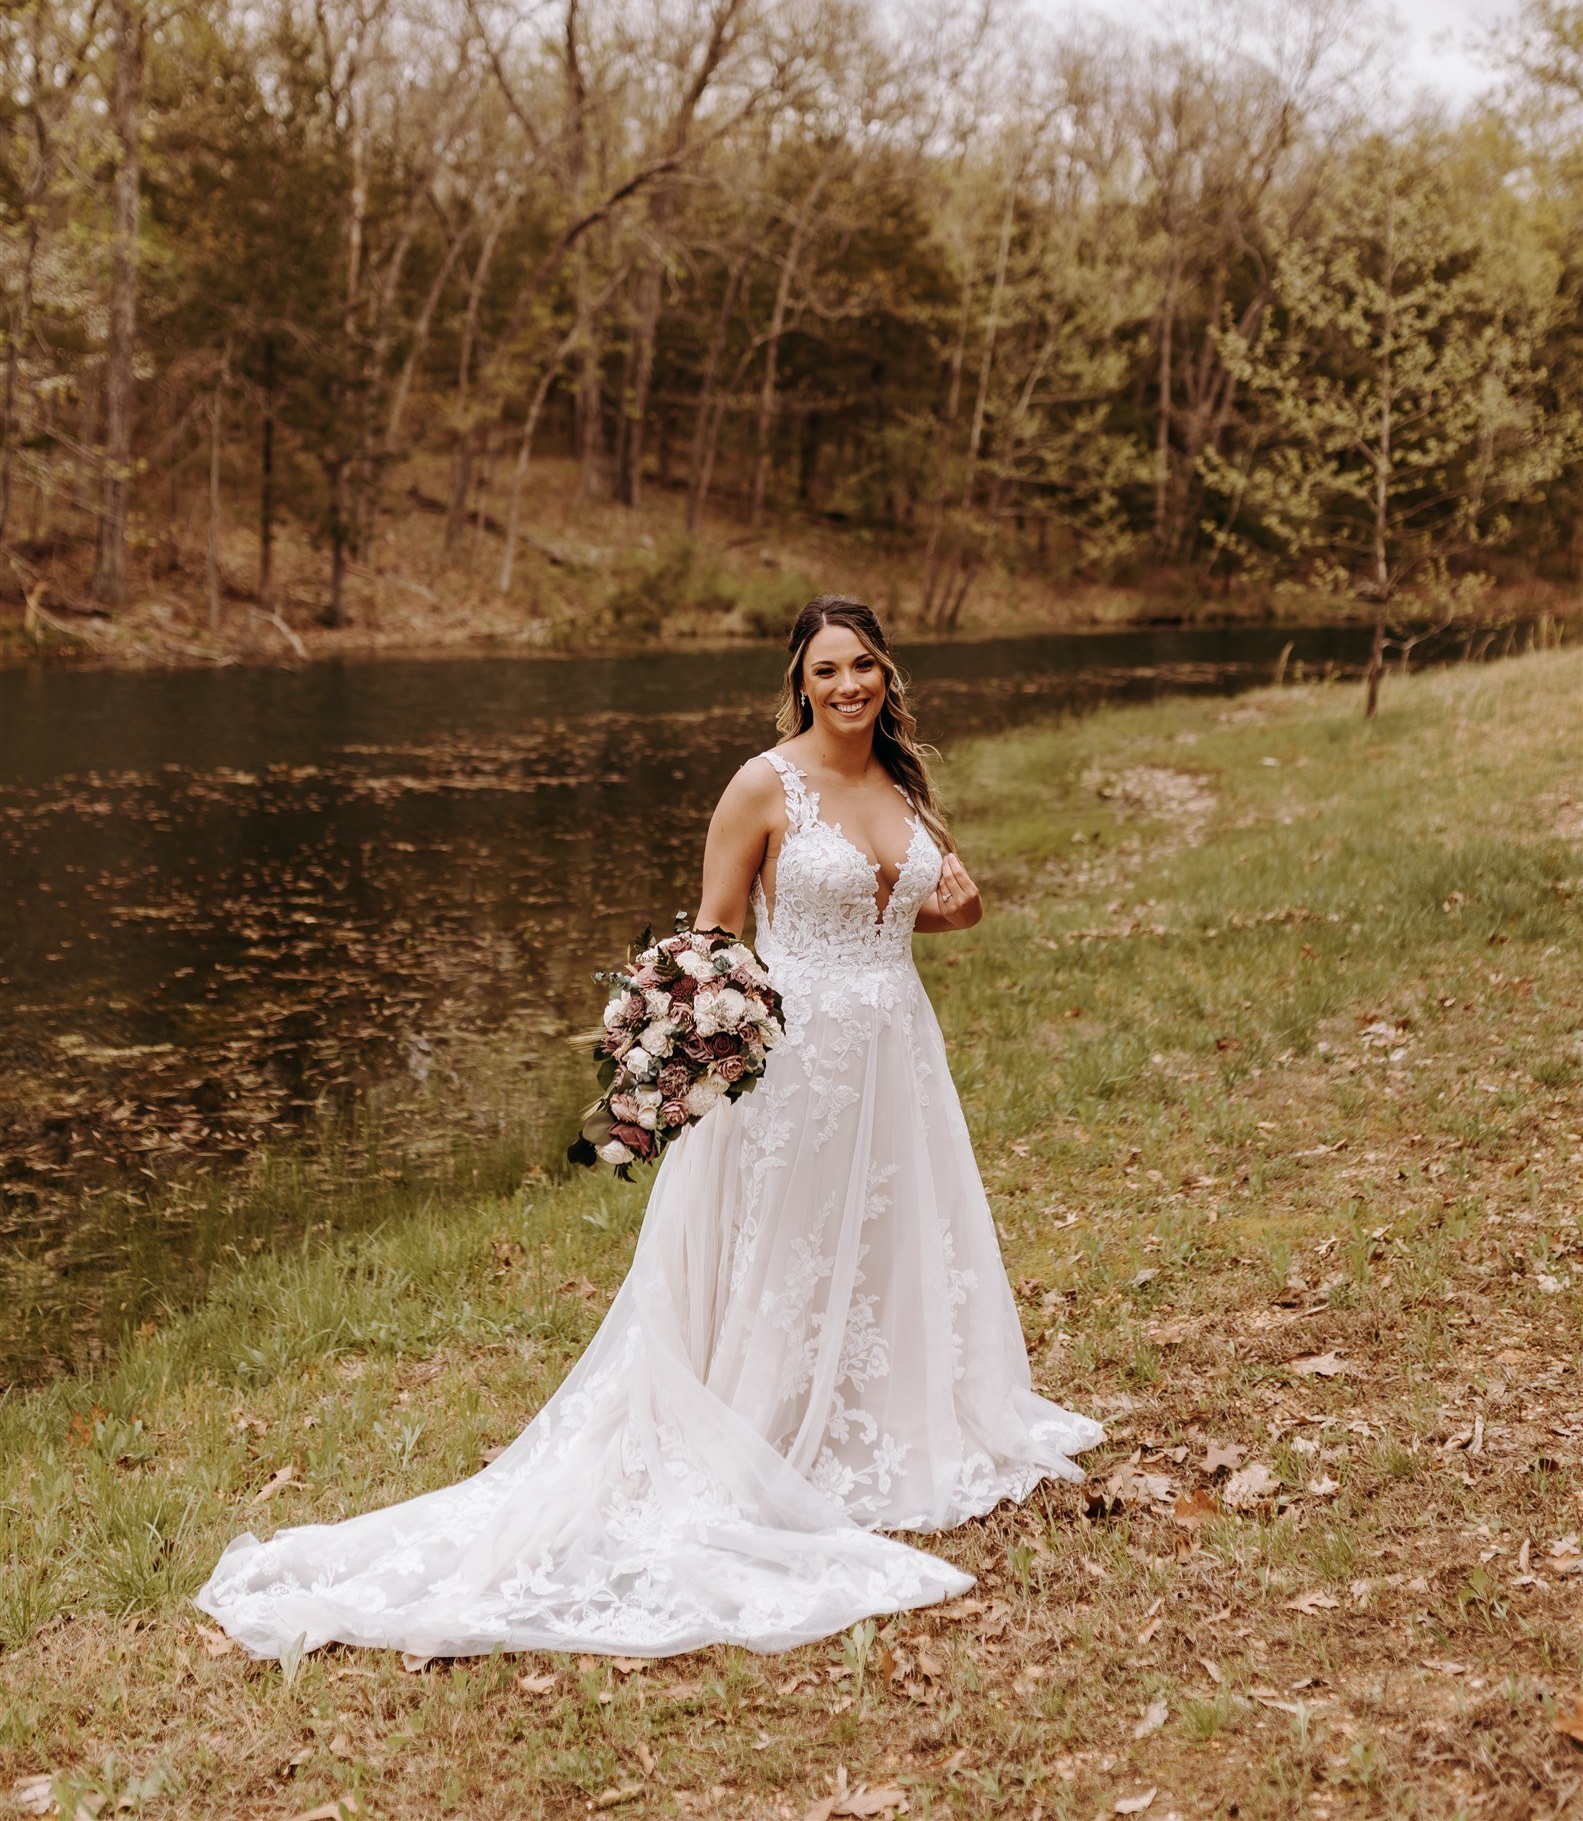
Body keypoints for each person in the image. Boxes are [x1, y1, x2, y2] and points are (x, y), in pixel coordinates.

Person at [195, 595, 1101, 1660]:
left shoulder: (902, 783)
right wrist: (698, 1054)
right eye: (826, 672)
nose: (847, 686)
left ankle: (888, 1417)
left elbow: (925, 911)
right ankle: (760, 1432)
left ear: (886, 673)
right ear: (799, 683)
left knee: (889, 1234)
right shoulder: (765, 784)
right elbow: (711, 941)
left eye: (862, 666)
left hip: (895, 1051)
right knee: (786, 1245)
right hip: (797, 1059)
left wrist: (964, 900)